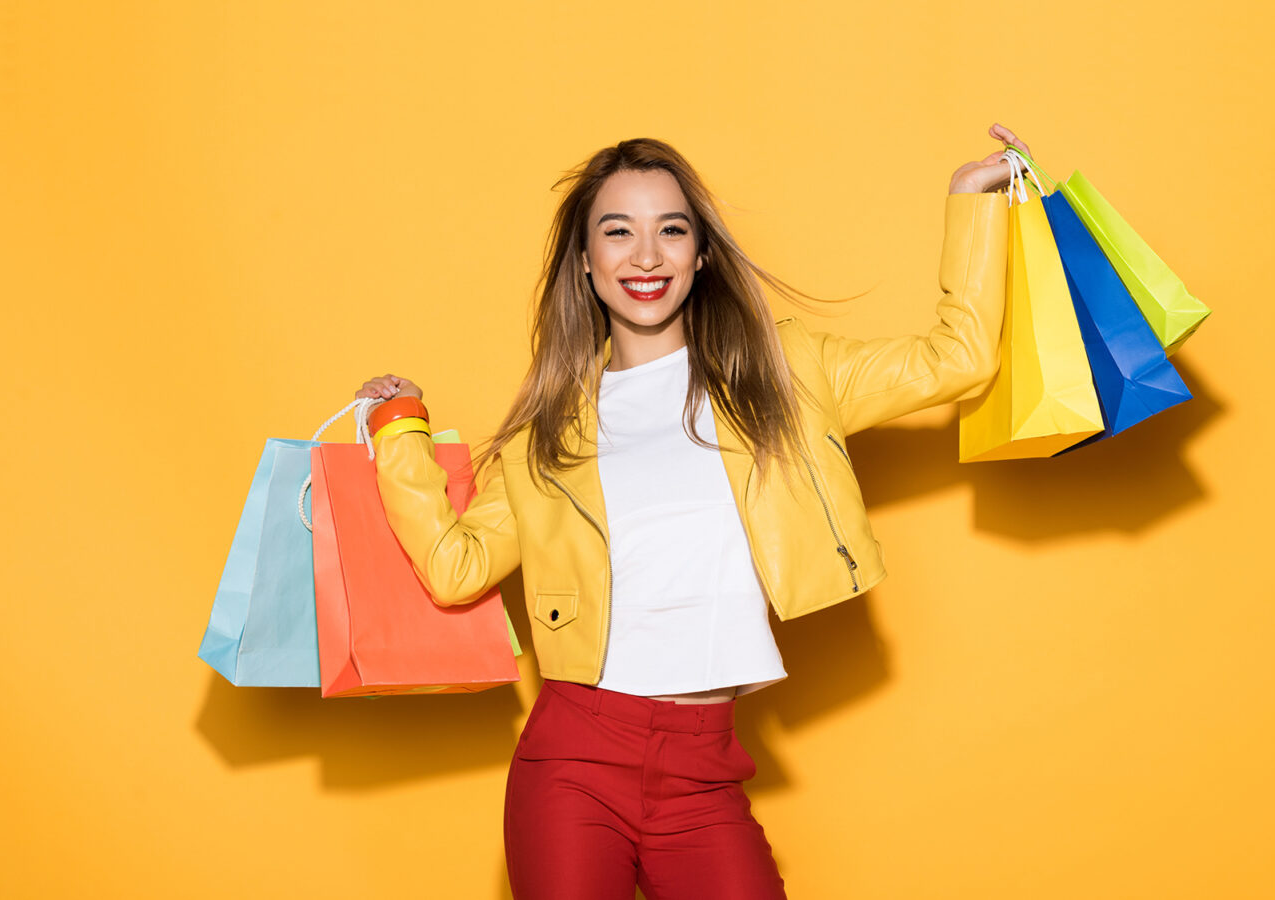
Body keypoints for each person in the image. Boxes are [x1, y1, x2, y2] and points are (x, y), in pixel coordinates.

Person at [352, 123, 1032, 899]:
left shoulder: (788, 374)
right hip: (574, 762)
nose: (646, 256)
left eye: (671, 231)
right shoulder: (547, 437)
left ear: (700, 254)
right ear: (584, 260)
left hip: (705, 773)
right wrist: (399, 429)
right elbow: (455, 569)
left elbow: (962, 359)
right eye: (618, 232)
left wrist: (971, 203)